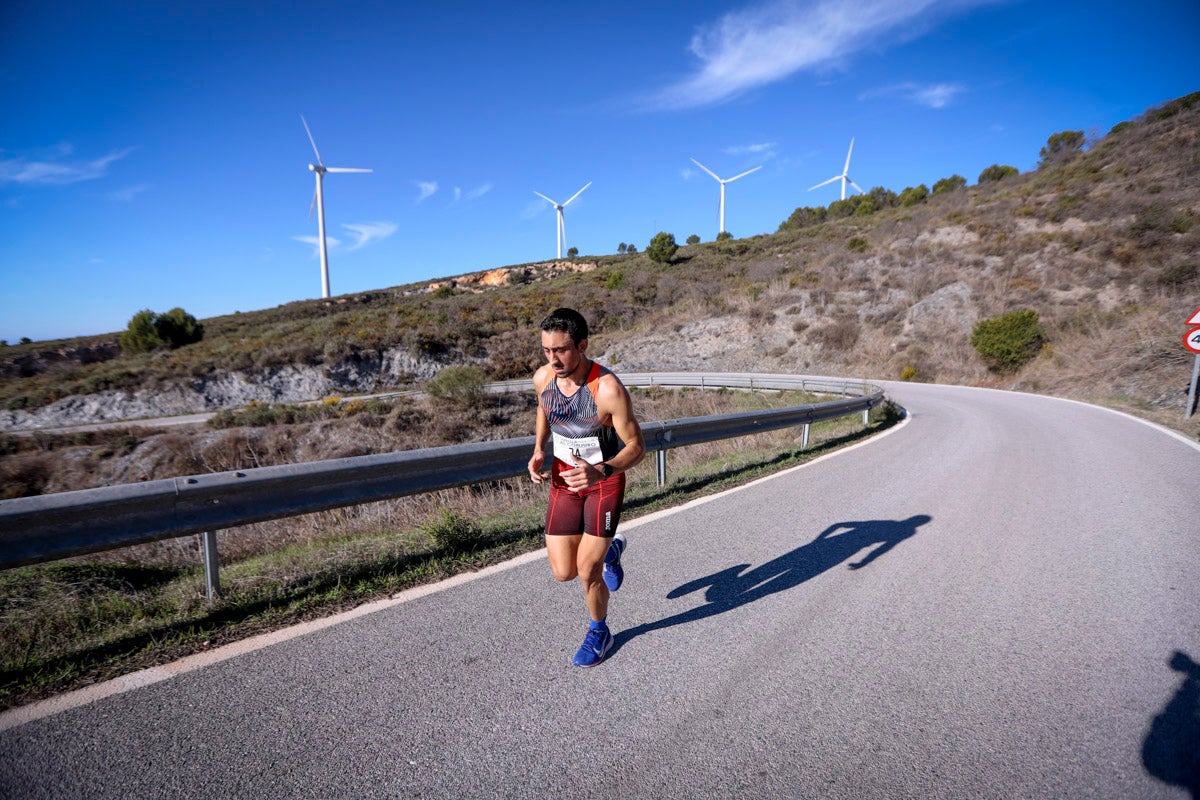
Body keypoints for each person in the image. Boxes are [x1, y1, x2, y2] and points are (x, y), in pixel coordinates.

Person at [527, 308, 645, 667]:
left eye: (561, 350)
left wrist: (601, 471)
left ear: (582, 345)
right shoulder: (543, 378)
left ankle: (599, 631)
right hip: (564, 479)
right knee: (563, 572)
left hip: (603, 482)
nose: (553, 359)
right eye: (547, 350)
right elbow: (545, 409)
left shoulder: (607, 389)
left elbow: (637, 447)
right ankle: (611, 551)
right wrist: (539, 449)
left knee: (586, 571)